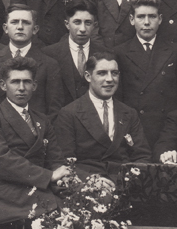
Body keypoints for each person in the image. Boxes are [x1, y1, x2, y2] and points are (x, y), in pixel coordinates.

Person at [0, 56, 68, 225]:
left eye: (27, 82)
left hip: (39, 184)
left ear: (35, 86)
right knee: (61, 208)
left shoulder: (41, 119)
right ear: (3, 85)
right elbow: (2, 161)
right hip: (8, 191)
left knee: (86, 198)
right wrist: (49, 176)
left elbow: (55, 157)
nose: (21, 88)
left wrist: (61, 174)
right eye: (15, 82)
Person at [54, 52, 152, 183]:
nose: (110, 79)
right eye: (102, 73)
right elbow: (65, 161)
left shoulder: (129, 113)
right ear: (88, 76)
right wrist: (92, 181)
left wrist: (129, 179)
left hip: (125, 181)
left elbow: (142, 156)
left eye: (114, 73)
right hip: (88, 183)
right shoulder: (69, 113)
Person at [113, 0, 177, 147]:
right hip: (135, 131)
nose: (147, 22)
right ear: (132, 20)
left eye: (152, 16)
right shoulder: (120, 53)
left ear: (160, 19)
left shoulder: (175, 51)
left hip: (167, 131)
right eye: (141, 17)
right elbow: (118, 100)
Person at [0, 5, 63, 119]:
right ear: (5, 28)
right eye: (14, 22)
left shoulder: (49, 65)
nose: (20, 27)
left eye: (26, 23)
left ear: (35, 29)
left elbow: (54, 109)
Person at [42, 0, 107, 106]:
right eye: (77, 22)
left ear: (94, 25)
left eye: (88, 23)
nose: (82, 29)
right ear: (67, 24)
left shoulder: (105, 54)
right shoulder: (49, 54)